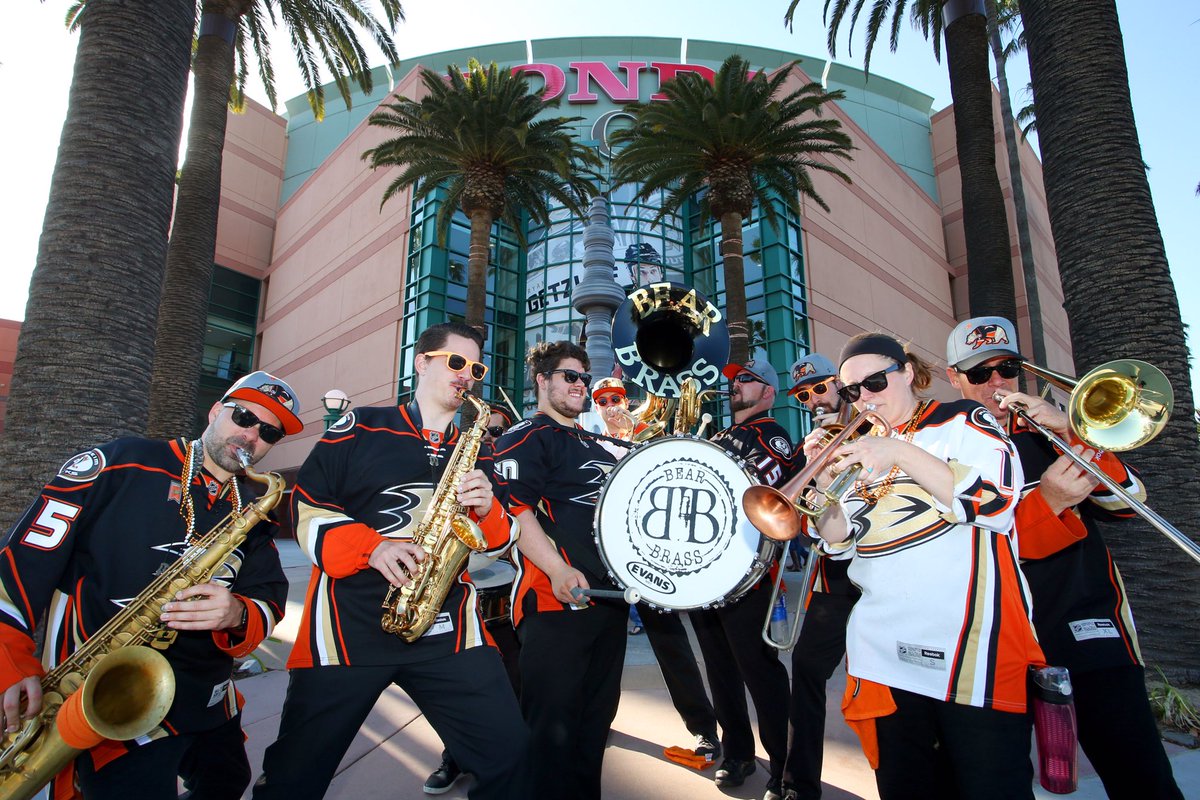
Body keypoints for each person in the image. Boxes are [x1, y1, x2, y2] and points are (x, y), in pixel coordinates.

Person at [253, 322, 529, 800]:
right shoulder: (360, 426)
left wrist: (489, 510)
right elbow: (307, 508)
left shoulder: (479, 451)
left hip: (448, 630)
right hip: (346, 631)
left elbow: (499, 542)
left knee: (513, 758)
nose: (467, 375)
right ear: (421, 362)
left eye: (476, 368)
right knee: (293, 779)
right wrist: (373, 547)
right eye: (456, 362)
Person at [0, 370, 300, 799]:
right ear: (216, 411)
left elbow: (268, 595)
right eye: (244, 417)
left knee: (228, 780)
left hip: (205, 696)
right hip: (109, 694)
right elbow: (20, 563)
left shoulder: (254, 507)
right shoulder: (122, 463)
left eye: (269, 432)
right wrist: (10, 664)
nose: (251, 435)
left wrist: (237, 613)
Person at [946, 316, 1183, 799]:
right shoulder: (946, 444)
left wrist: (1074, 432)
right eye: (979, 373)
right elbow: (965, 547)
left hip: (1087, 619)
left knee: (1142, 775)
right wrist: (1048, 503)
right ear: (955, 378)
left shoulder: (1052, 428)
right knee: (997, 781)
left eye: (1007, 368)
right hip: (997, 633)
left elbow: (1129, 503)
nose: (996, 383)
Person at [807, 332, 1043, 800]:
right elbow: (839, 544)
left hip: (966, 648)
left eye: (875, 382)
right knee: (905, 787)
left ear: (908, 372)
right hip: (883, 652)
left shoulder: (962, 419)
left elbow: (996, 503)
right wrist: (820, 488)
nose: (864, 397)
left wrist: (899, 451)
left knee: (989, 786)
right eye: (851, 391)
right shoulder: (859, 446)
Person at [492, 342, 624, 800]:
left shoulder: (595, 443)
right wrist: (557, 570)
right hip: (555, 603)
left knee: (595, 722)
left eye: (584, 377)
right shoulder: (526, 436)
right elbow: (515, 511)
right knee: (551, 732)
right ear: (542, 380)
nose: (581, 385)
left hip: (610, 603)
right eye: (570, 376)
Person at [591, 376, 723, 764]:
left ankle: (704, 729)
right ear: (596, 407)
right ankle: (597, 723)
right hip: (603, 559)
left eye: (616, 398)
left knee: (672, 646)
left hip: (645, 558)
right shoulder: (588, 444)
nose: (611, 406)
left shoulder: (648, 438)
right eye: (603, 400)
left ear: (627, 401)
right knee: (602, 650)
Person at [694, 358, 795, 800]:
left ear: (768, 392)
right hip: (706, 570)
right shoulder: (717, 435)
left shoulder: (771, 433)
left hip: (748, 572)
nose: (736, 384)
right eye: (734, 379)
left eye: (747, 380)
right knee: (720, 669)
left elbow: (757, 487)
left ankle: (785, 767)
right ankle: (737, 753)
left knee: (759, 669)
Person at [424, 403, 523, 795]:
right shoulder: (456, 465)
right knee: (456, 690)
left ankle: (507, 755)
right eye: (486, 432)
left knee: (509, 677)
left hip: (505, 584)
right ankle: (454, 755)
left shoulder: (513, 469)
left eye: (498, 432)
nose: (491, 438)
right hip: (455, 587)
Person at [779, 353, 861, 800]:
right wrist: (813, 470)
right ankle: (799, 783)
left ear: (841, 385)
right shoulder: (808, 444)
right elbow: (798, 516)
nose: (813, 400)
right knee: (807, 668)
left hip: (886, 573)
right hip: (836, 579)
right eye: (803, 395)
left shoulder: (875, 428)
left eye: (820, 388)